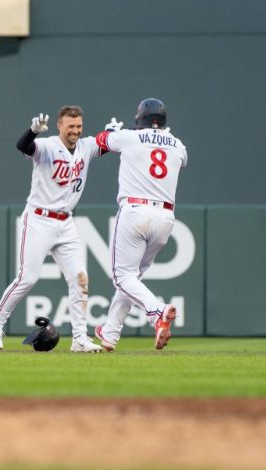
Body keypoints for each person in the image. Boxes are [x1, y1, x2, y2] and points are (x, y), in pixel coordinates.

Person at [0, 106, 112, 353]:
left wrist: (113, 133)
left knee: (80, 278)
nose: (75, 130)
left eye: (78, 126)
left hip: (66, 222)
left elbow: (105, 144)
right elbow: (24, 147)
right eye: (70, 126)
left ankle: (80, 339)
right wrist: (32, 131)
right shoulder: (48, 146)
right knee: (27, 278)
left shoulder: (85, 146)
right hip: (39, 218)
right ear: (59, 126)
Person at [93, 98, 188, 352]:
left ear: (140, 119)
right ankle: (110, 332)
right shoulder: (178, 145)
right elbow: (182, 160)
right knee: (131, 278)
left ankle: (157, 312)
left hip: (135, 211)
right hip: (165, 218)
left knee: (122, 277)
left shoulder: (129, 137)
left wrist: (115, 131)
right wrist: (160, 138)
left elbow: (101, 139)